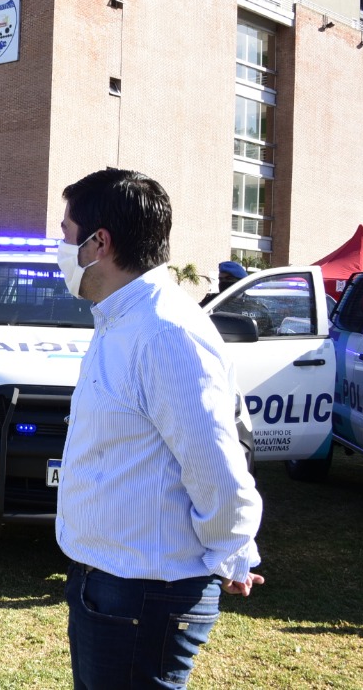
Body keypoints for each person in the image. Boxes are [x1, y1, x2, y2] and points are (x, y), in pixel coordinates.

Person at [55, 168, 264, 689]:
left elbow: (215, 464)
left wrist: (231, 550)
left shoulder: (164, 332)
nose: (58, 247)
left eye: (65, 233)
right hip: (111, 585)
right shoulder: (122, 319)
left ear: (99, 243)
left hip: (143, 594)